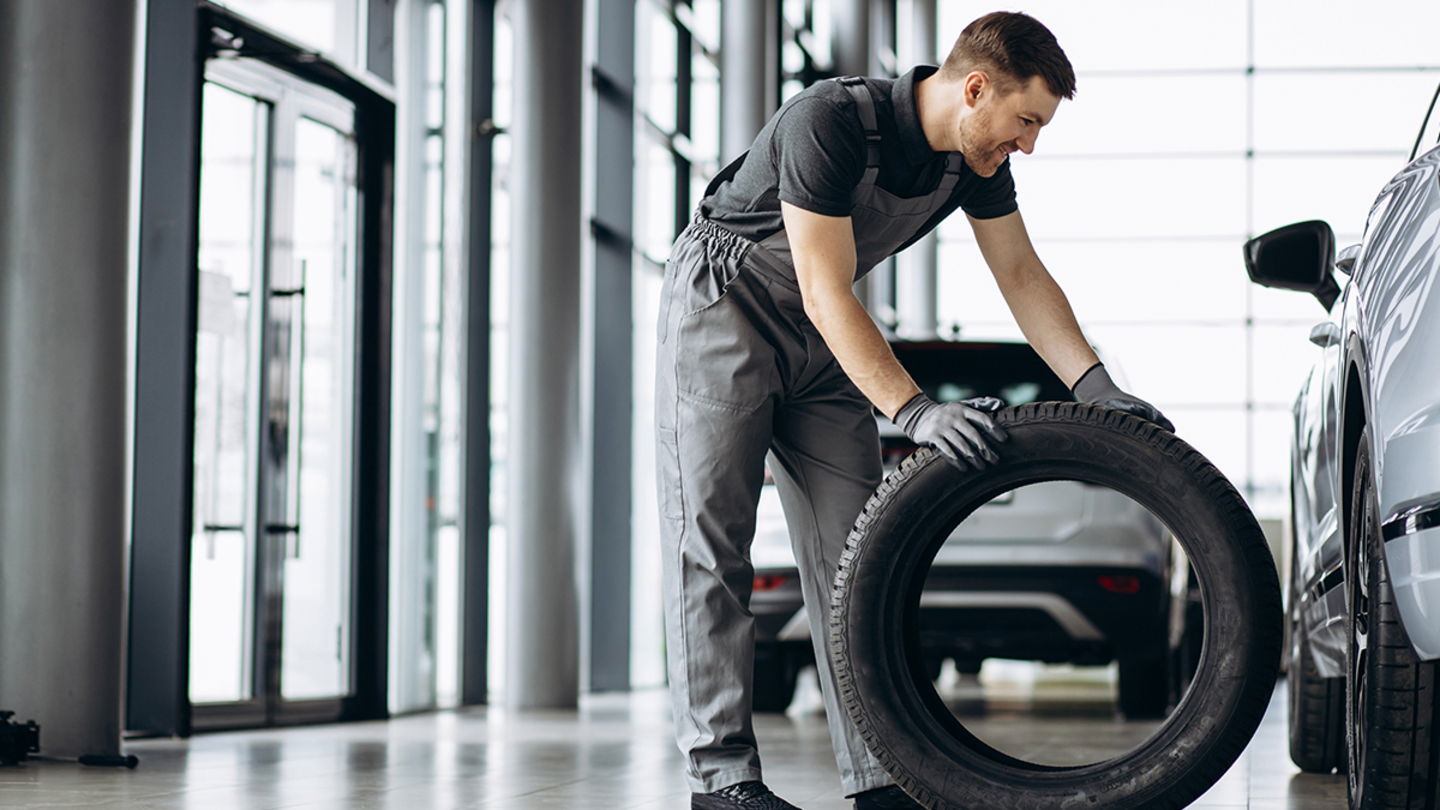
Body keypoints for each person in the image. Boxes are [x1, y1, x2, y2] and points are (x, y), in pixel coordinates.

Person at [654, 11, 1172, 810]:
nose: (1028, 143)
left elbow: (1022, 277)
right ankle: (722, 783)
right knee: (712, 544)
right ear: (974, 89)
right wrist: (916, 411)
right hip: (728, 304)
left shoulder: (973, 161)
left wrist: (1094, 385)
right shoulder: (828, 122)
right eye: (1026, 120)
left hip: (821, 330)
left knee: (856, 561)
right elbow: (826, 288)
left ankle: (878, 776)